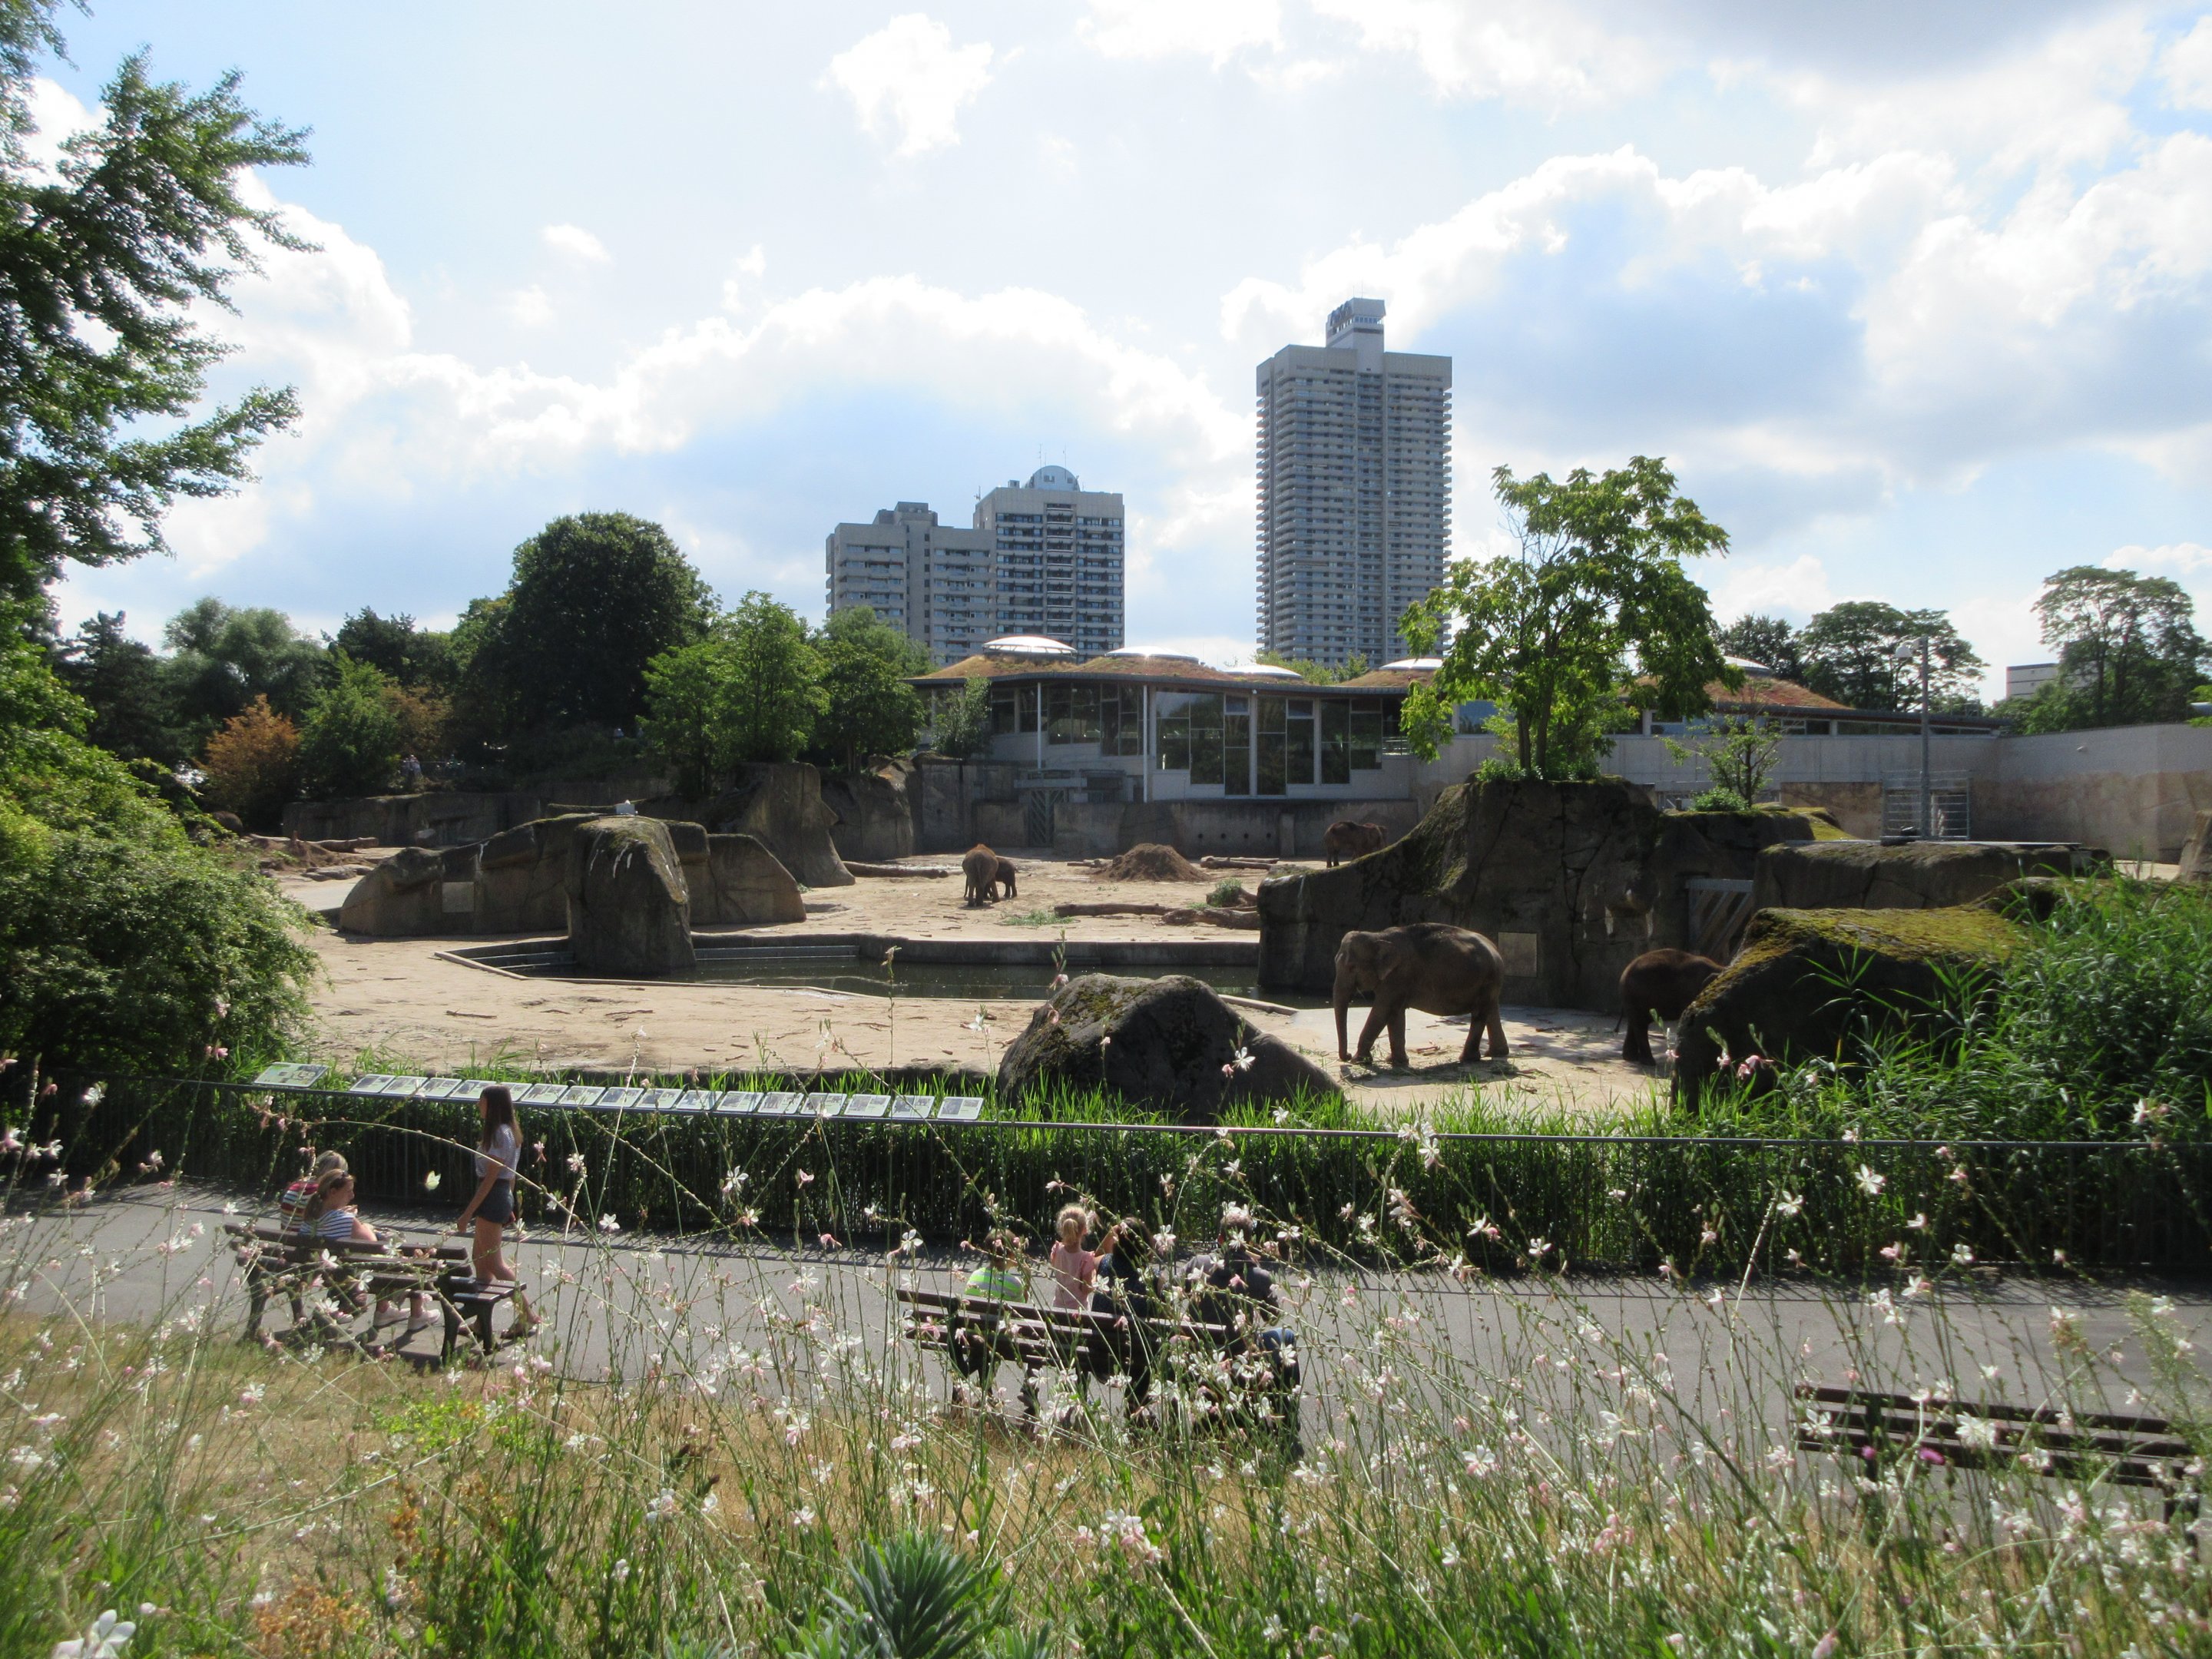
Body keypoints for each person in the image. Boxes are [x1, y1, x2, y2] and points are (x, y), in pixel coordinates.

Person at [301, 1168, 429, 1333]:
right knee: (394, 1247)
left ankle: (388, 1310)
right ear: (333, 1192)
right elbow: (372, 1243)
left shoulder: (309, 1219)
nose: (352, 1196)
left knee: (389, 1249)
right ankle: (414, 1312)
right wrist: (363, 1224)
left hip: (326, 1273)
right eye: (348, 1191)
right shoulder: (345, 1220)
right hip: (353, 1275)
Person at [455, 1084, 535, 1334]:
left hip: (493, 1195)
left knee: (494, 1262)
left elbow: (491, 1178)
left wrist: (467, 1214)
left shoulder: (500, 1133)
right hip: (500, 1195)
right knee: (481, 1261)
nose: (479, 1104)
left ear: (492, 1105)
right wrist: (509, 1201)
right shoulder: (508, 1131)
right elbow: (509, 1175)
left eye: (482, 1100)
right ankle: (481, 1322)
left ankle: (527, 1315)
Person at [1090, 1217, 1159, 1409]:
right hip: (1137, 1360)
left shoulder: (1105, 1264)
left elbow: (1095, 1254)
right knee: (1149, 1344)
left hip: (1101, 1354)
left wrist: (1111, 1234)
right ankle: (1136, 1407)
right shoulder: (1152, 1279)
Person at [280, 1151, 348, 1233]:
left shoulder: (296, 1185)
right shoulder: (320, 1192)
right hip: (306, 1241)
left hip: (287, 1239)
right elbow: (330, 1223)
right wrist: (346, 1213)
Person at [1046, 1204, 1098, 1310]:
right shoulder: (1085, 1259)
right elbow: (1086, 1289)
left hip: (1058, 1307)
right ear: (1085, 1229)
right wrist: (1095, 1277)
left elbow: (1054, 1266)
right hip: (1078, 1311)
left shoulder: (1057, 1250)